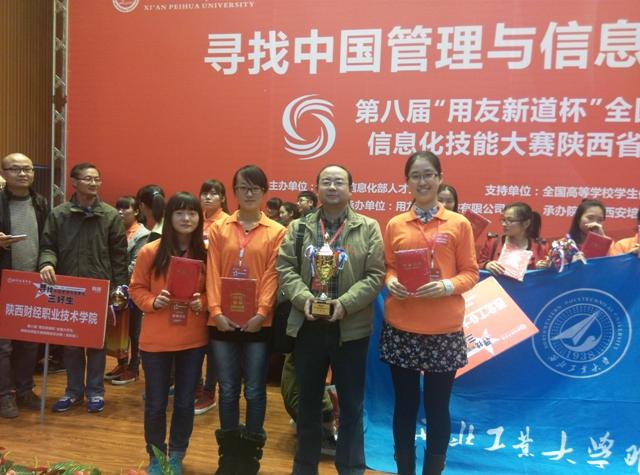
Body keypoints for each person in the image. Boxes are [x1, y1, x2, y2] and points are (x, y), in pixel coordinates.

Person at [277, 164, 385, 475]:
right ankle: (304, 468)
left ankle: (350, 468)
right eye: (326, 182)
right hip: (309, 326)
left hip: (350, 329)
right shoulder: (299, 227)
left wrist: (344, 305)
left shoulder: (368, 227)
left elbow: (375, 275)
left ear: (351, 189)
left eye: (339, 182)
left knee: (351, 406)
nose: (333, 187)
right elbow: (285, 267)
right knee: (308, 404)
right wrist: (304, 299)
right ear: (317, 188)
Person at [382, 151, 479, 475]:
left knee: (438, 408)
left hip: (443, 329)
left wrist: (447, 286)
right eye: (416, 176)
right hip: (403, 326)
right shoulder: (396, 224)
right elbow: (388, 267)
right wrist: (391, 282)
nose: (422, 181)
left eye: (428, 175)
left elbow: (471, 273)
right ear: (407, 182)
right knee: (405, 406)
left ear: (439, 178)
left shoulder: (459, 224)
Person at [206, 165, 286, 475]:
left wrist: (262, 312)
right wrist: (216, 311)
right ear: (235, 191)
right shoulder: (220, 228)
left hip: (258, 323)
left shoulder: (276, 231)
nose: (249, 193)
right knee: (227, 389)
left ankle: (251, 458)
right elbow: (213, 270)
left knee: (254, 390)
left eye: (255, 188)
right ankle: (228, 457)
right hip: (222, 321)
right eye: (243, 187)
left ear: (264, 191)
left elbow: (273, 274)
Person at [39, 162, 128, 413]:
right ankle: (73, 392)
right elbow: (48, 246)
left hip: (98, 290)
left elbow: (119, 255)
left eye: (97, 179)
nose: (94, 183)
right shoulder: (59, 214)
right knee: (71, 345)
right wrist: (47, 263)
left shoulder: (110, 215)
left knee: (97, 345)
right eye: (88, 179)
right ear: (74, 182)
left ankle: (96, 392)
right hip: (67, 289)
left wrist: (120, 289)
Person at [130, 192, 208, 475]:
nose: (186, 218)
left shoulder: (206, 253)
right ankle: (156, 456)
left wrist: (204, 301)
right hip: (156, 340)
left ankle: (176, 454)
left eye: (192, 213)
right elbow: (136, 288)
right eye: (179, 212)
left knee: (185, 402)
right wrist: (153, 302)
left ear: (199, 218)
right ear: (169, 216)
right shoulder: (151, 251)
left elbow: (215, 290)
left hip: (193, 340)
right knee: (155, 403)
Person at [0, 153, 48, 418]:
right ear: (4, 173)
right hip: (4, 283)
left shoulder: (40, 203)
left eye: (27, 169)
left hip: (32, 283)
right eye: (15, 169)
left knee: (30, 342)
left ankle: (25, 389)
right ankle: (4, 396)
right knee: (3, 345)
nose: (22, 174)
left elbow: (48, 241)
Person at [104, 196, 150, 385]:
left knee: (134, 330)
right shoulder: (114, 230)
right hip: (115, 287)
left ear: (137, 211)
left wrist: (117, 280)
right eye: (118, 208)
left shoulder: (142, 234)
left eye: (125, 208)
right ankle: (121, 364)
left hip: (133, 288)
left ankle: (133, 368)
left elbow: (136, 264)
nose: (120, 212)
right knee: (118, 329)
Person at [194, 179, 230, 415]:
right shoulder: (195, 220)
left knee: (212, 346)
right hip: (194, 290)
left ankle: (209, 391)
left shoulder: (227, 223)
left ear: (223, 198)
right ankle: (194, 387)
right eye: (204, 193)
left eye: (213, 194)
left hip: (217, 290)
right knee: (193, 343)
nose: (208, 197)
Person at [478, 202, 549, 273]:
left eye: (510, 220)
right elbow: (476, 266)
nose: (504, 224)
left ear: (526, 223)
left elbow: (550, 273)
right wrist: (486, 265)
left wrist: (545, 268)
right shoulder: (493, 243)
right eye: (503, 220)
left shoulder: (541, 247)